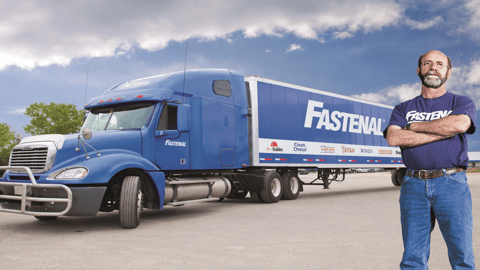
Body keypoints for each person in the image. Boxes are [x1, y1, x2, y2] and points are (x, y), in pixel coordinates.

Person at [384, 50, 476, 269]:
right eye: (427, 63)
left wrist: (414, 127)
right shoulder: (403, 108)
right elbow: (394, 137)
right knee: (413, 257)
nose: (433, 67)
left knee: (461, 254)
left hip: (452, 183)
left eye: (439, 64)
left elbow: (460, 125)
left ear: (448, 72)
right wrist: (443, 131)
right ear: (419, 70)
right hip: (413, 185)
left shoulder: (460, 101)